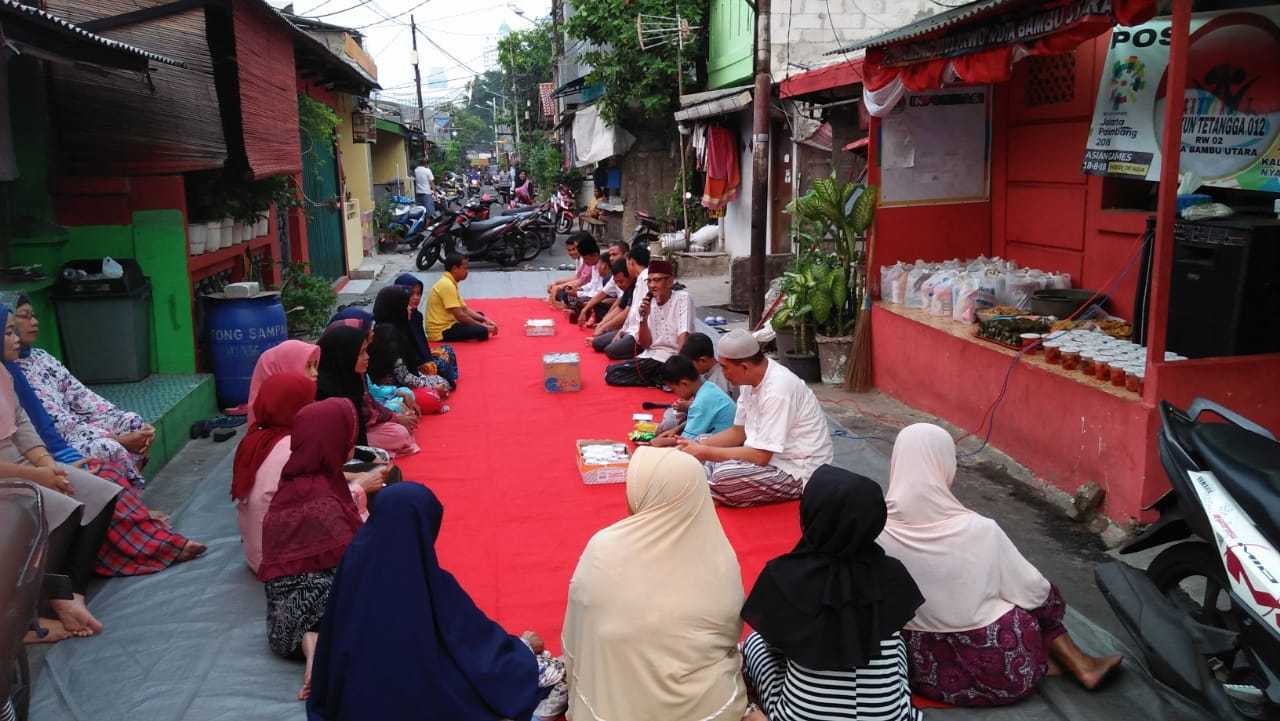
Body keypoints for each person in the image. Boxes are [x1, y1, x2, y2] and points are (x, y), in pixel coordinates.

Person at [878, 423, 1123, 706]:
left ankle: (1061, 663)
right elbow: (1035, 591)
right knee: (1032, 599)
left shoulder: (876, 528)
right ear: (945, 465)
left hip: (918, 671)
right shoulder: (979, 530)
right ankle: (1077, 663)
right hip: (998, 673)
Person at [307, 483, 568, 721]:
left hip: (352, 699)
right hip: (418, 695)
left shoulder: (355, 562)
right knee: (503, 673)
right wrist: (519, 654)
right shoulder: (425, 579)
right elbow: (468, 638)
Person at [1, 303, 204, 579]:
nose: (19, 334)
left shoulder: (12, 372)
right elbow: (53, 427)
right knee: (80, 494)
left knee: (104, 480)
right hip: (14, 474)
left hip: (38, 460)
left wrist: (50, 466)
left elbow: (31, 427)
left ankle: (143, 536)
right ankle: (74, 588)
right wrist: (44, 472)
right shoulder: (14, 372)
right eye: (10, 330)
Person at [563, 447, 747, 721]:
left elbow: (582, 624)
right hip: (706, 708)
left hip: (614, 706)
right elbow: (728, 633)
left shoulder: (605, 548)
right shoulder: (719, 553)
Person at [739, 466, 924, 721]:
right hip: (889, 715)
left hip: (802, 715)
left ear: (811, 513)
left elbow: (774, 640)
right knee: (896, 646)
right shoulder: (892, 573)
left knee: (755, 644)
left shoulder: (785, 575)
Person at [0, 310, 123, 641]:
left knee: (101, 493)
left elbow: (22, 425)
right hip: (6, 473)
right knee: (62, 508)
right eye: (8, 332)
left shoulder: (5, 374)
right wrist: (41, 477)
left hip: (22, 462)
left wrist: (47, 464)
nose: (15, 339)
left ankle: (71, 592)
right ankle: (29, 616)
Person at [259, 398, 365, 700]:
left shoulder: (291, 484)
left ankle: (314, 649)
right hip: (337, 611)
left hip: (282, 626)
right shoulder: (322, 499)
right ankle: (319, 648)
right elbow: (356, 566)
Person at [233, 373, 387, 574]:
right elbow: (314, 508)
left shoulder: (255, 438)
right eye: (308, 402)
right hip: (282, 561)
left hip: (259, 550)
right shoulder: (291, 446)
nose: (313, 406)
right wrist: (361, 487)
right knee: (382, 522)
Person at [677, 329, 833, 507]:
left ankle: (705, 491)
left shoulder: (778, 390)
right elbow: (738, 432)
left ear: (744, 366)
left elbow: (761, 456)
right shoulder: (748, 380)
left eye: (724, 367)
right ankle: (707, 489)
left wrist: (706, 452)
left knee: (722, 475)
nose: (723, 372)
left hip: (797, 470)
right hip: (763, 457)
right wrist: (699, 445)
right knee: (700, 447)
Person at [11, 297, 155, 486]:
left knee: (132, 422)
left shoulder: (41, 357)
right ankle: (128, 505)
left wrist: (129, 427)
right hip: (56, 441)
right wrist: (119, 440)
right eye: (25, 317)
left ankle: (127, 497)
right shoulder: (11, 371)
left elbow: (83, 398)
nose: (35, 322)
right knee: (109, 447)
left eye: (34, 316)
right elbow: (59, 425)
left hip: (78, 428)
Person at [316, 325, 419, 457]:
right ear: (346, 354)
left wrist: (394, 417)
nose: (367, 357)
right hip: (342, 442)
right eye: (361, 353)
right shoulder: (323, 389)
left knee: (399, 428)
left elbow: (368, 402)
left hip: (365, 429)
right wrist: (395, 416)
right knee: (398, 433)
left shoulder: (356, 376)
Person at [604, 259, 692, 388]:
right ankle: (660, 380)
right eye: (649, 281)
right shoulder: (648, 303)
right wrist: (643, 319)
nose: (652, 285)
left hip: (673, 357)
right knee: (611, 373)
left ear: (669, 281)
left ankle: (665, 378)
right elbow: (645, 344)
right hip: (652, 356)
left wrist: (678, 365)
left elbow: (683, 334)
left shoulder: (683, 298)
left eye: (657, 280)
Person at [371, 285, 451, 401]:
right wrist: (431, 386)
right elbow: (403, 377)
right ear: (396, 308)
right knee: (438, 389)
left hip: (410, 376)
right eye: (405, 305)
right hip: (394, 389)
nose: (409, 308)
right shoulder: (389, 335)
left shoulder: (397, 326)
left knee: (443, 377)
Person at [655, 333, 735, 435]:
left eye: (689, 365)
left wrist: (688, 407)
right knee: (671, 415)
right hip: (705, 418)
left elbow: (687, 440)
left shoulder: (718, 379)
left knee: (670, 423)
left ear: (702, 361)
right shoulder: (705, 382)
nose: (686, 369)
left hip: (718, 433)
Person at [650, 355, 736, 448]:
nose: (675, 394)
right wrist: (676, 429)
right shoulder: (708, 387)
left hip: (726, 445)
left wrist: (664, 442)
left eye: (673, 389)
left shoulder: (703, 400)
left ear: (684, 383)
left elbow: (686, 441)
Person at [392, 273, 459, 388]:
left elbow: (421, 342)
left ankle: (446, 378)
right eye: (411, 294)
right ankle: (445, 380)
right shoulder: (397, 322)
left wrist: (431, 354)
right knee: (442, 366)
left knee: (447, 351)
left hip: (423, 359)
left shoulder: (416, 316)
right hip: (414, 368)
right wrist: (426, 362)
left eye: (418, 294)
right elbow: (408, 354)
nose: (416, 297)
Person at [591, 245, 649, 358]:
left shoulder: (646, 279)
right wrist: (620, 330)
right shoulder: (638, 280)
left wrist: (606, 327)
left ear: (631, 262)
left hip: (639, 332)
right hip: (630, 328)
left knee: (610, 351)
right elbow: (627, 310)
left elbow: (630, 312)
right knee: (597, 343)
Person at [246, 340, 320, 426]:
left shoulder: (303, 400)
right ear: (286, 367)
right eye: (308, 366)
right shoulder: (271, 428)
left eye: (315, 365)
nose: (315, 373)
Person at [426, 254, 497, 342]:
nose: (467, 272)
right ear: (455, 269)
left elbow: (465, 309)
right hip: (441, 331)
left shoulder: (449, 282)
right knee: (482, 331)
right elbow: (460, 316)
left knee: (480, 316)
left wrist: (485, 319)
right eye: (465, 268)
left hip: (450, 322)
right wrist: (485, 327)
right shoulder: (446, 285)